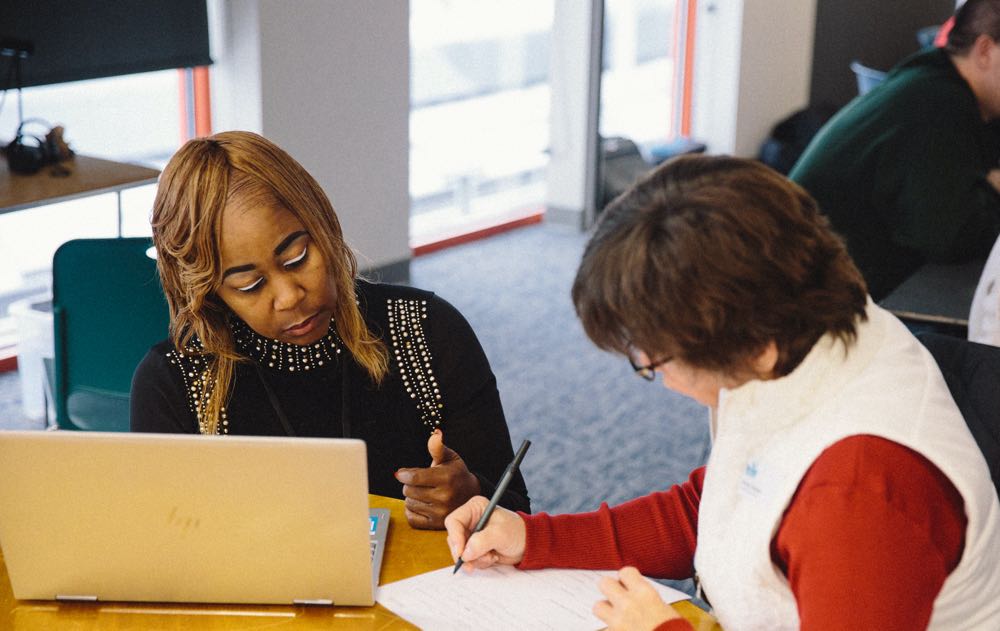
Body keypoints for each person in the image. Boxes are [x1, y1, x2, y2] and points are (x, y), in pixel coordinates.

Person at [445, 155, 1000, 630]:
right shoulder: (802, 337)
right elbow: (716, 507)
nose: (660, 378)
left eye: (656, 359)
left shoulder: (860, 493)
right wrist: (535, 539)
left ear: (751, 344)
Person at [130, 130, 529, 529]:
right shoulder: (176, 382)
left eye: (298, 257)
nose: (289, 296)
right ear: (209, 293)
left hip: (423, 587)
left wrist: (473, 496)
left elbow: (517, 508)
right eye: (248, 285)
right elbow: (162, 545)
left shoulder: (424, 331)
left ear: (322, 223)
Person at [789, 0, 1000, 301]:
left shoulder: (936, 80)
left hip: (840, 278)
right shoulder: (937, 104)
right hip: (818, 296)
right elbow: (948, 236)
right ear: (984, 50)